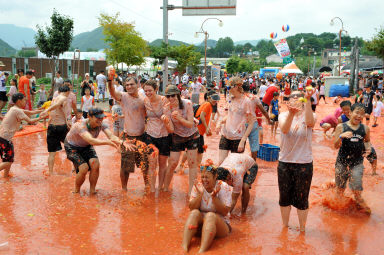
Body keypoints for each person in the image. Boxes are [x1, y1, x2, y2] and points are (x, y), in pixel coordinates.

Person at [277, 89, 316, 231]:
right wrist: (292, 114)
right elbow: (285, 129)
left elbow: (311, 123)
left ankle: (302, 229)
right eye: (292, 97)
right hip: (285, 162)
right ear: (288, 101)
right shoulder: (283, 115)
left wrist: (307, 102)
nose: (296, 99)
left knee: (302, 198)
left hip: (304, 163)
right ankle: (285, 226)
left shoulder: (310, 114)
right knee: (284, 196)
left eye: (299, 97)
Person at [64, 107, 124, 194]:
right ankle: (76, 190)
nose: (100, 120)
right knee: (84, 168)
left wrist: (122, 142)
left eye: (102, 117)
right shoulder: (80, 125)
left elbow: (111, 136)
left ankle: (92, 190)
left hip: (86, 145)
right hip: (72, 146)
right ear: (89, 116)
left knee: (95, 164)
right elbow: (91, 140)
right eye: (98, 117)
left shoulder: (101, 124)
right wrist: (107, 142)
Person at [108, 76, 149, 191]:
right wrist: (110, 81)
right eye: (127, 85)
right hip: (128, 137)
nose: (129, 87)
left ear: (138, 84)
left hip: (142, 136)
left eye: (131, 84)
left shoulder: (143, 98)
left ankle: (147, 186)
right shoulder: (124, 96)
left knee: (145, 166)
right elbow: (112, 92)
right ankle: (124, 189)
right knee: (125, 166)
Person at [182, 163, 232, 253]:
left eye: (207, 177)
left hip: (221, 226)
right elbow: (191, 208)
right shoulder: (198, 185)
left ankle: (201, 251)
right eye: (203, 177)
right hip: (202, 227)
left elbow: (225, 212)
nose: (204, 180)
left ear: (215, 177)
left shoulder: (223, 187)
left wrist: (214, 197)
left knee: (210, 216)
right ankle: (184, 248)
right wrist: (200, 194)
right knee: (194, 213)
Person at [333, 103, 371, 214]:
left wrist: (368, 149)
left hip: (357, 162)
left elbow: (367, 141)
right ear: (350, 113)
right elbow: (335, 146)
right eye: (357, 112)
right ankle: (336, 208)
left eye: (362, 114)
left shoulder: (365, 128)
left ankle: (359, 202)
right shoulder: (341, 127)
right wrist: (341, 136)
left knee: (357, 187)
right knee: (340, 188)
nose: (359, 116)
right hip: (342, 161)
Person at [163, 85, 199, 194]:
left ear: (178, 94)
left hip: (192, 135)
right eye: (168, 96)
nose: (170, 99)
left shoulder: (187, 103)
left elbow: (190, 124)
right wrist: (167, 123)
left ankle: (191, 192)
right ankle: (165, 188)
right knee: (173, 162)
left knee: (192, 163)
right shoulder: (167, 108)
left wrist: (179, 118)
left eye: (172, 95)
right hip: (177, 135)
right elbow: (171, 130)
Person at [0, 93, 45, 177]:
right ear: (19, 101)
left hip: (3, 137)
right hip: (5, 138)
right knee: (8, 161)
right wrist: (42, 117)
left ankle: (5, 176)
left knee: (8, 159)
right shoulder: (17, 110)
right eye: (24, 100)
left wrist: (42, 110)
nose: (25, 102)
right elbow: (30, 121)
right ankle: (5, 175)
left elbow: (30, 112)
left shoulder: (14, 108)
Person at [143, 80, 174, 192]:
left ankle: (160, 187)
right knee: (151, 164)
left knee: (162, 164)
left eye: (150, 90)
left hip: (164, 135)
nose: (147, 93)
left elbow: (169, 114)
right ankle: (152, 189)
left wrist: (166, 118)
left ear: (156, 89)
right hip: (150, 135)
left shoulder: (164, 100)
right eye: (145, 90)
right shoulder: (145, 101)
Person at [217, 77, 255, 165]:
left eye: (229, 87)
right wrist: (219, 123)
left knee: (234, 166)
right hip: (225, 134)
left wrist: (243, 140)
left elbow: (251, 122)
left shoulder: (247, 102)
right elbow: (229, 115)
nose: (227, 89)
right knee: (221, 163)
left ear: (236, 87)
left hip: (238, 137)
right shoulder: (230, 99)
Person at [42, 85, 71, 175]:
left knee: (52, 153)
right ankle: (77, 168)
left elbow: (54, 111)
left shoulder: (54, 99)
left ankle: (51, 172)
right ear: (67, 92)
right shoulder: (64, 98)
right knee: (71, 148)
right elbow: (58, 105)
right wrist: (46, 110)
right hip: (61, 127)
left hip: (51, 127)